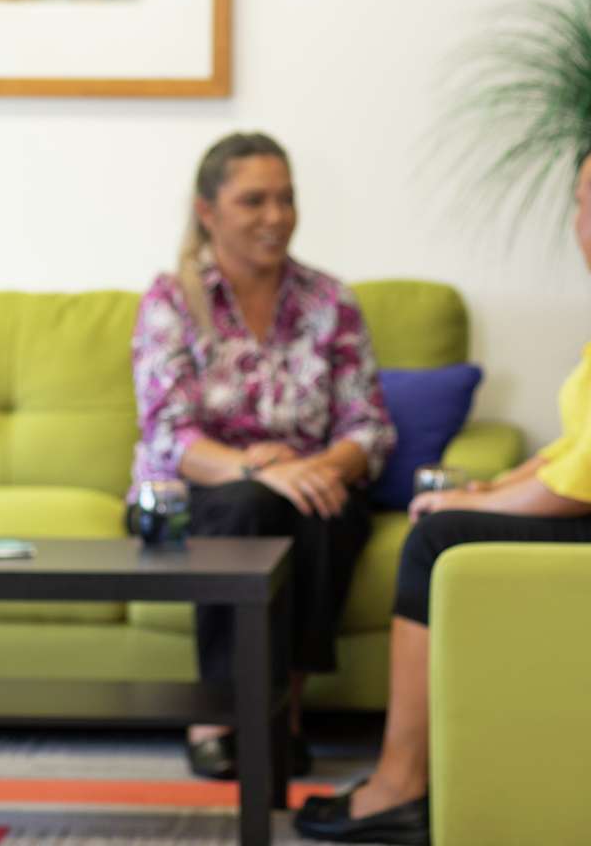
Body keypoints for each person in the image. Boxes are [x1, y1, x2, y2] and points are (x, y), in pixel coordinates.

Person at [296, 122, 591, 844]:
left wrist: (464, 504)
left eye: (580, 196)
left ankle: (398, 787)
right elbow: (584, 445)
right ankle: (407, 778)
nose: (575, 214)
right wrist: (488, 490)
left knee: (433, 541)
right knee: (450, 519)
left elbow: (588, 482)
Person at [131, 132, 396, 781]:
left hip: (310, 486)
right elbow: (171, 434)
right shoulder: (172, 299)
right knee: (249, 502)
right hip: (199, 491)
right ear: (208, 210)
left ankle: (285, 711)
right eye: (254, 200)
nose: (275, 217)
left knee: (323, 506)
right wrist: (266, 469)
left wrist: (323, 469)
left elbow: (368, 425)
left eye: (286, 199)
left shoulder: (330, 301)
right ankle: (221, 716)